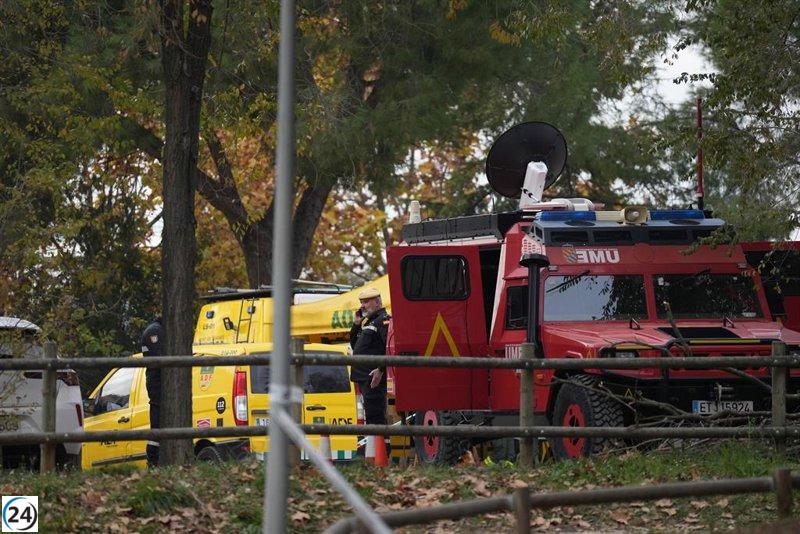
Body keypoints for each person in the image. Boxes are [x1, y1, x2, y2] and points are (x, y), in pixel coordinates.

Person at [349, 287, 390, 427]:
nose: (362, 306)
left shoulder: (383, 320)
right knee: (371, 419)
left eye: (366, 302)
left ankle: (382, 442)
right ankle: (377, 441)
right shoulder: (368, 322)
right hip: (364, 379)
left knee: (376, 419)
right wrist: (356, 324)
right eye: (361, 302)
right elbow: (355, 346)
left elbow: (389, 348)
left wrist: (380, 369)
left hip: (374, 379)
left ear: (377, 302)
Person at [141, 316, 163, 467]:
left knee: (158, 422)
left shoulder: (157, 329)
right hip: (157, 381)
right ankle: (153, 459)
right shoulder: (155, 331)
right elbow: (159, 358)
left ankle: (154, 459)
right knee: (157, 422)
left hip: (157, 380)